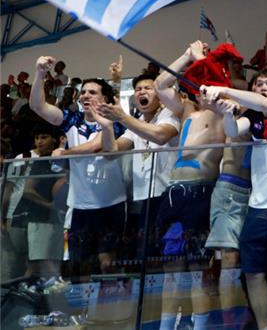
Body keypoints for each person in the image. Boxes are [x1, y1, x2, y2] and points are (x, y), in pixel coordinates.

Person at [200, 65, 267, 330]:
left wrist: (225, 90)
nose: (262, 87)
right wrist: (227, 113)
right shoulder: (253, 117)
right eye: (258, 83)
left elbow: (263, 103)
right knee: (253, 272)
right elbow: (234, 130)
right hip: (258, 206)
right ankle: (264, 327)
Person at [152, 41, 231, 330]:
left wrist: (205, 62)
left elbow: (227, 89)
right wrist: (186, 55)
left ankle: (198, 326)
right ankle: (165, 326)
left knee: (199, 270)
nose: (203, 86)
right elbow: (161, 85)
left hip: (202, 192)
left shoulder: (227, 113)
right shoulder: (187, 110)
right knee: (171, 270)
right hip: (174, 192)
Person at [29, 56, 127, 279]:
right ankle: (82, 313)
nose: (85, 95)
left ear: (105, 98)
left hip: (111, 203)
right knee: (79, 265)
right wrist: (40, 73)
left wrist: (65, 153)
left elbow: (97, 146)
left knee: (107, 264)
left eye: (92, 92)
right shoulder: (71, 120)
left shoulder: (116, 121)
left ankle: (108, 310)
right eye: (83, 92)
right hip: (79, 206)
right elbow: (37, 106)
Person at [95, 72, 180, 259]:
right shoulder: (137, 123)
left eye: (148, 88)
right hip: (145, 199)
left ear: (160, 94)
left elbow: (160, 135)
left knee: (168, 256)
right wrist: (107, 125)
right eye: (138, 89)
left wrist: (123, 118)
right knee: (145, 254)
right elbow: (112, 153)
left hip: (170, 196)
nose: (142, 92)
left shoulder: (171, 114)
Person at [1, 121, 65, 283]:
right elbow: (9, 190)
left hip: (40, 218)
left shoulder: (59, 158)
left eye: (44, 137)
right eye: (37, 138)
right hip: (15, 216)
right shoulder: (23, 158)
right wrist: (2, 218)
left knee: (35, 264)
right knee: (14, 265)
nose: (40, 141)